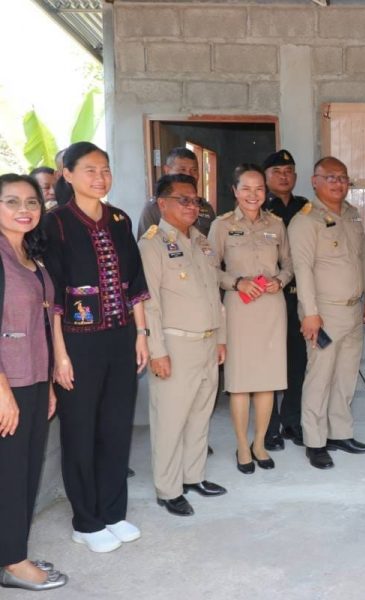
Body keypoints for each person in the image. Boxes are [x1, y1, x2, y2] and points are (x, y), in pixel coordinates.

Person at [43, 142, 150, 553]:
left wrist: (141, 334)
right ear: (67, 174)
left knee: (116, 428)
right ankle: (86, 521)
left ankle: (113, 513)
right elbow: (52, 295)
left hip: (121, 337)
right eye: (89, 169)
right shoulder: (55, 223)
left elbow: (135, 283)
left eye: (105, 169)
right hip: (77, 342)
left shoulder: (119, 219)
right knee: (80, 431)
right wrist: (60, 355)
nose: (100, 177)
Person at [139, 174, 227, 516]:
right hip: (175, 346)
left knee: (200, 414)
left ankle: (193, 477)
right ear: (162, 204)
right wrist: (157, 351)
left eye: (195, 200)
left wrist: (220, 338)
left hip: (207, 341)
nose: (192, 206)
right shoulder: (152, 244)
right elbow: (150, 303)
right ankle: (168, 488)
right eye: (183, 200)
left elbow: (214, 295)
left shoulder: (202, 241)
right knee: (170, 420)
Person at [0, 174, 67, 591]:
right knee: (10, 475)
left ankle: (13, 552)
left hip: (35, 378)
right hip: (8, 384)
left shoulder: (30, 254)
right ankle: (13, 562)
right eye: (11, 201)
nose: (24, 209)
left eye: (32, 202)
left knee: (25, 471)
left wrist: (49, 384)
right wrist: (3, 392)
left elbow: (41, 320)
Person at [288, 156, 365, 470]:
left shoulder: (352, 215)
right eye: (331, 177)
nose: (338, 183)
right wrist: (310, 314)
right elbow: (302, 270)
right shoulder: (305, 221)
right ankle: (315, 442)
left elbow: (364, 258)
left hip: (353, 311)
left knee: (345, 376)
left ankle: (340, 433)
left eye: (342, 177)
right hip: (324, 314)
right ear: (315, 181)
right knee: (320, 377)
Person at [208, 164, 292, 474]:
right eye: (246, 188)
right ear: (235, 191)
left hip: (271, 307)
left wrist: (280, 281)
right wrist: (236, 282)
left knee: (268, 381)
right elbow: (209, 269)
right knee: (241, 382)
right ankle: (243, 445)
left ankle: (259, 444)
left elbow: (289, 264)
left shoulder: (276, 225)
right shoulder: (222, 226)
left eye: (258, 189)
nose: (253, 195)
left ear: (265, 192)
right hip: (239, 309)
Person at [262, 149, 309, 451]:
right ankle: (269, 427)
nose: (284, 176)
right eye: (277, 171)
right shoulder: (259, 208)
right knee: (268, 363)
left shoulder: (306, 207)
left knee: (297, 361)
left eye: (288, 171)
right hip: (270, 297)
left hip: (300, 297)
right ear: (266, 177)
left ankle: (292, 421)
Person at [137, 147, 216, 239]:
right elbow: (147, 243)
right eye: (182, 170)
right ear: (167, 170)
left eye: (194, 170)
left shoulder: (206, 207)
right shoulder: (154, 208)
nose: (188, 175)